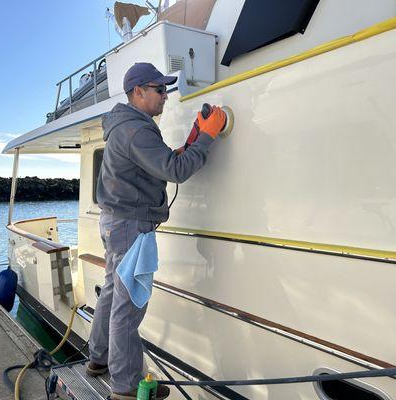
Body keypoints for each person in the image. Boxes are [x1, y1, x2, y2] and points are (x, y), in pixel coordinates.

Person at [86, 62, 226, 400]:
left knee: (112, 293)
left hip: (115, 222)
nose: (166, 96)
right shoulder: (136, 130)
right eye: (159, 89)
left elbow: (158, 163)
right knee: (128, 305)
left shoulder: (126, 127)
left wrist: (193, 139)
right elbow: (175, 171)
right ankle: (126, 387)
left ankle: (97, 358)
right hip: (130, 227)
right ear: (139, 92)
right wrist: (208, 136)